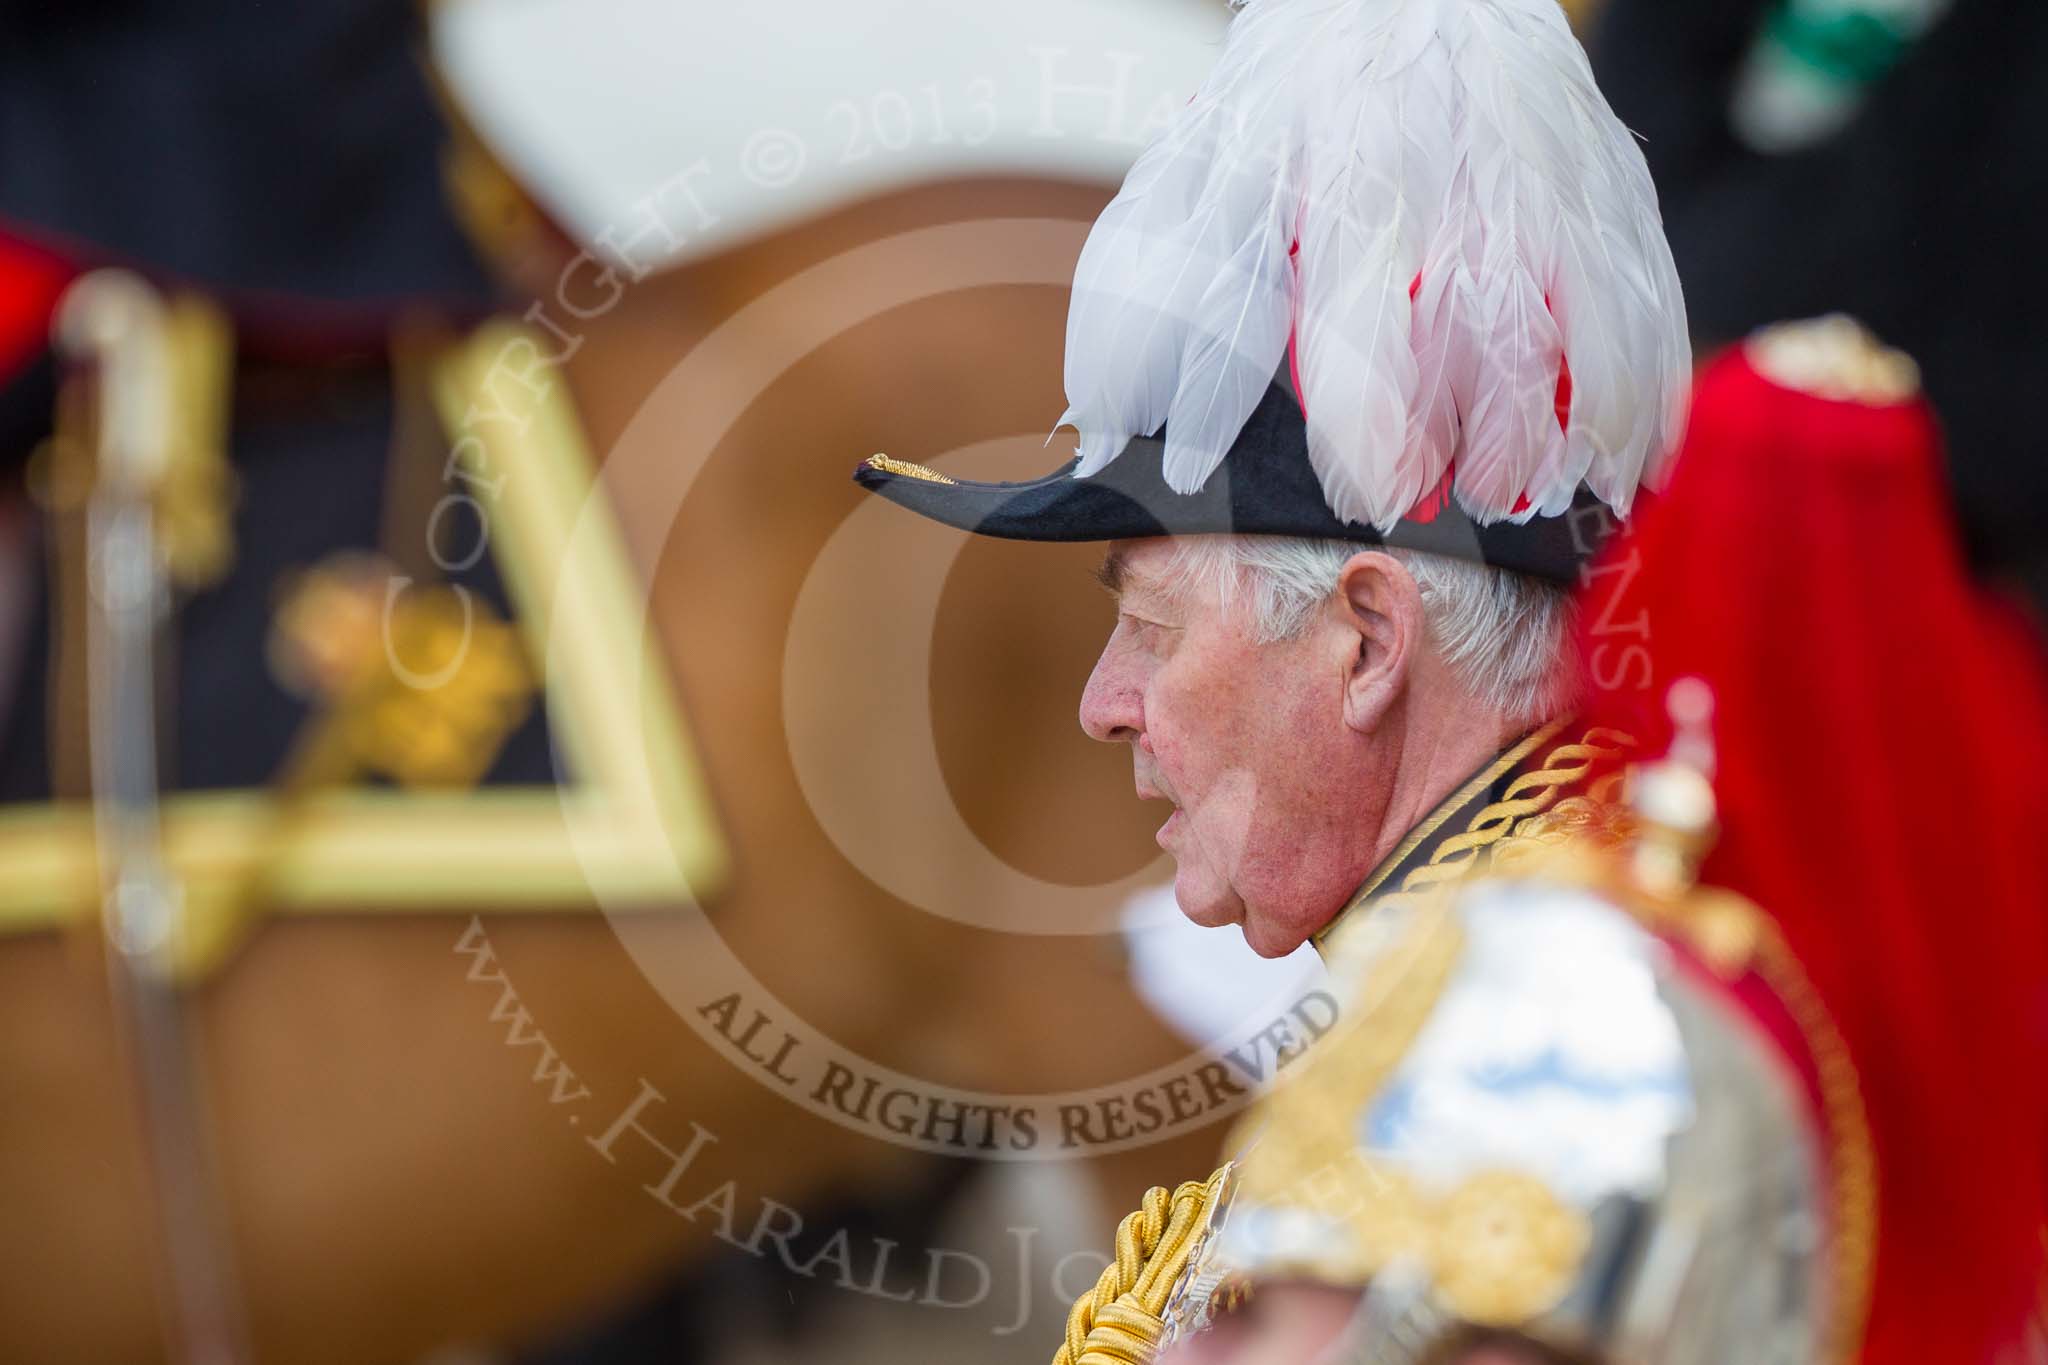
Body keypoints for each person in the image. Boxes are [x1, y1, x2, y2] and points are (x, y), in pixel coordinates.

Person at [853, 0, 1688, 962]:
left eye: (1153, 628)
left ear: (1370, 642)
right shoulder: (1571, 944)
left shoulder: (1496, 1045)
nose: (1101, 704)